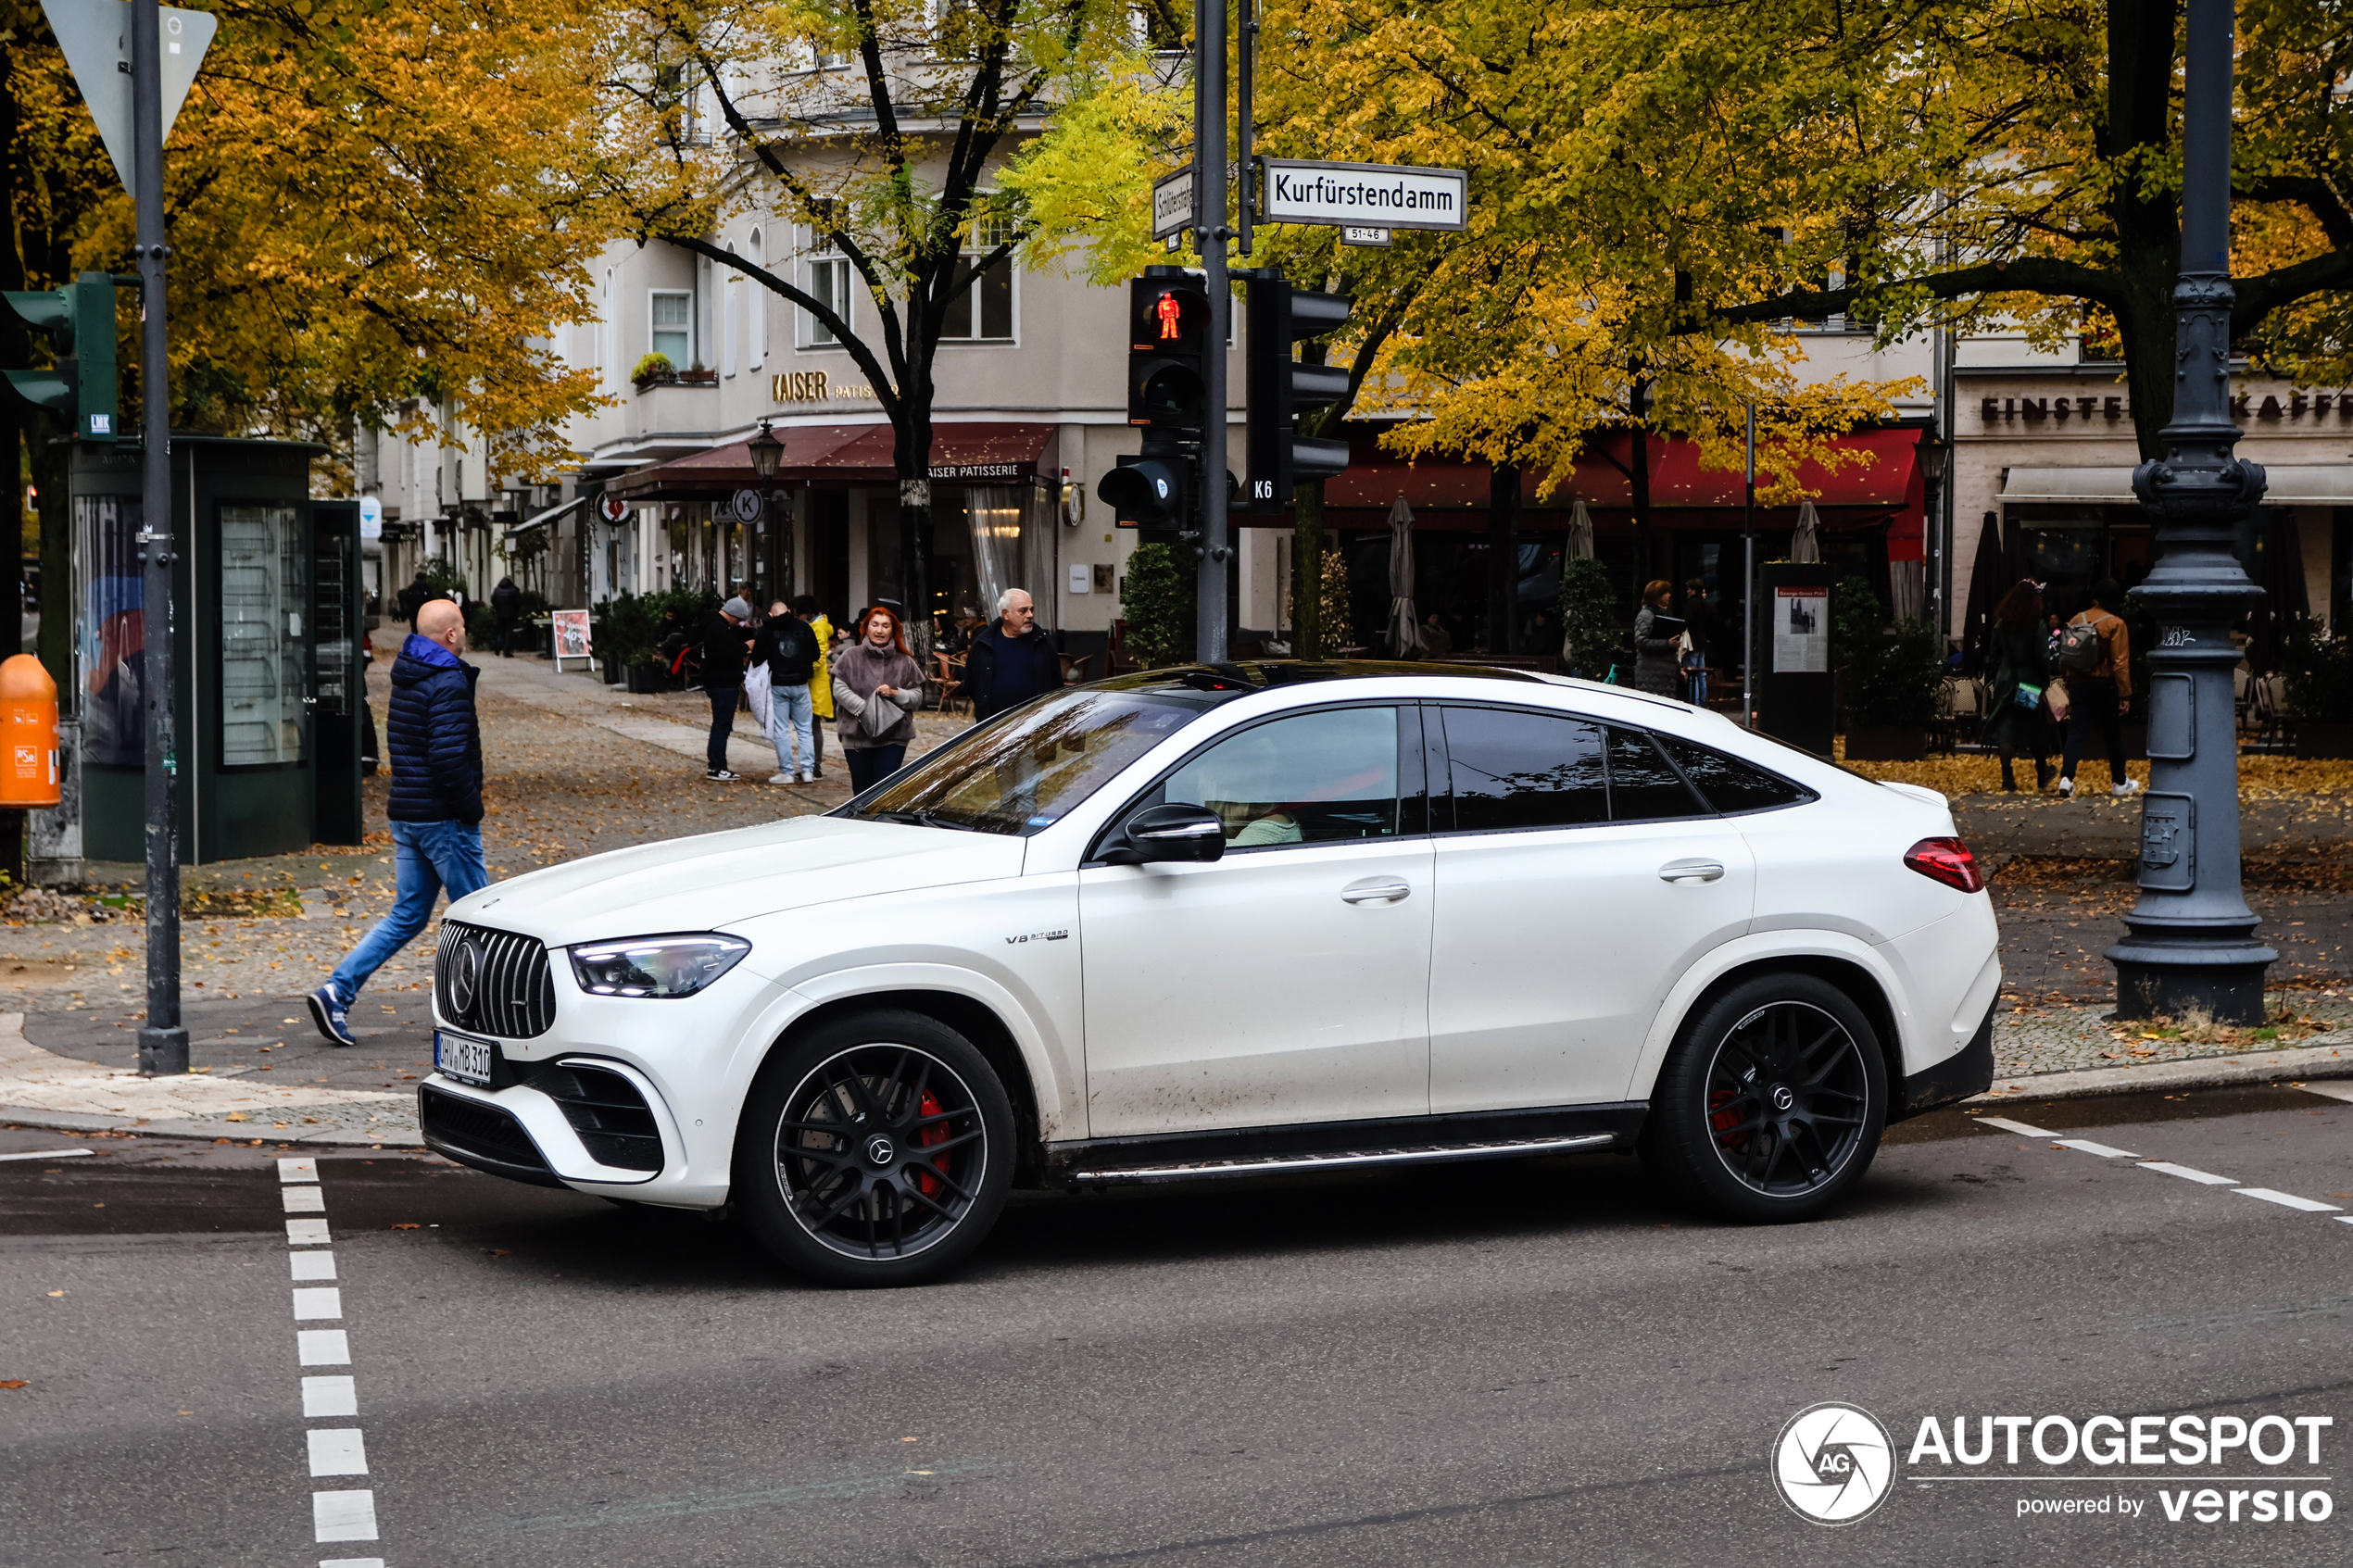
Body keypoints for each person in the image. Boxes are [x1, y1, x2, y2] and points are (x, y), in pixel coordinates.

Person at [306, 599, 486, 1047]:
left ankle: (337, 991)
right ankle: (475, 1016)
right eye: (461, 627)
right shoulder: (446, 680)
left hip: (409, 814)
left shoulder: (409, 672)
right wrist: (471, 807)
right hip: (444, 818)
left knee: (407, 915)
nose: (464, 634)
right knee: (482, 922)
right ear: (449, 634)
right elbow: (447, 758)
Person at [2057, 577, 2137, 799]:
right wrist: (2125, 693)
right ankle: (2120, 781)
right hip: (2105, 686)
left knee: (2076, 732)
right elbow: (2120, 662)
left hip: (2079, 685)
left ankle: (2067, 778)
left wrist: (2069, 681)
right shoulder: (2116, 624)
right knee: (2113, 734)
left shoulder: (2075, 620)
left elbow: (2064, 658)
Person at [832, 604, 925, 791]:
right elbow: (839, 688)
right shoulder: (851, 656)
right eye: (875, 625)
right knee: (862, 793)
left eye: (885, 626)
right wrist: (865, 710)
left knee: (885, 793)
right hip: (856, 735)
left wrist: (895, 693)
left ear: (893, 630)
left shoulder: (904, 661)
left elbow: (917, 695)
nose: (879, 630)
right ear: (866, 627)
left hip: (894, 736)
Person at [1981, 579, 2056, 793]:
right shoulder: (2036, 623)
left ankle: (2007, 777)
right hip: (2029, 680)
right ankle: (2042, 773)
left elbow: (1993, 654)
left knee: (2006, 725)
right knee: (2034, 724)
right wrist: (2044, 679)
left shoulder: (2001, 624)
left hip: (2006, 680)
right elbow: (2042, 655)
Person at [963, 588, 1060, 721]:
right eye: (1023, 610)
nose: (1030, 615)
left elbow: (1056, 684)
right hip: (994, 725)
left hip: (1036, 724)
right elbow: (972, 683)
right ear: (1005, 614)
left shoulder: (1042, 643)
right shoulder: (984, 644)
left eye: (1031, 610)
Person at [754, 597, 821, 784]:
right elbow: (815, 654)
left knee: (781, 730)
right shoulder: (804, 628)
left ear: (770, 614)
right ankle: (808, 771)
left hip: (778, 684)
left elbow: (758, 657)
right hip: (801, 683)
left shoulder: (766, 631)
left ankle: (787, 772)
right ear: (789, 611)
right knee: (805, 729)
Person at [698, 596, 755, 781]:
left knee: (719, 725)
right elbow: (725, 655)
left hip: (716, 681)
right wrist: (744, 647)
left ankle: (716, 764)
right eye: (738, 619)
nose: (738, 623)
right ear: (733, 614)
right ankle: (717, 766)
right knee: (722, 726)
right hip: (723, 683)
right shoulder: (719, 629)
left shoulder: (713, 625)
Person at [796, 594, 834, 779]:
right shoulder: (815, 626)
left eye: (798, 614)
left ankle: (814, 766)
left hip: (814, 685)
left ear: (808, 613)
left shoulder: (817, 629)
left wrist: (800, 670)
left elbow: (818, 658)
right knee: (810, 726)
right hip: (812, 683)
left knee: (812, 726)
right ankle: (811, 765)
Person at [1631, 580, 1680, 697]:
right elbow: (1641, 641)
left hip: (1664, 675)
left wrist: (1678, 668)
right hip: (1651, 675)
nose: (1669, 595)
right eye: (1666, 592)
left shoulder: (1662, 615)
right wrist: (1667, 643)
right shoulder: (1646, 615)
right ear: (1657, 596)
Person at [1680, 578, 1716, 705]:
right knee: (1701, 673)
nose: (1687, 591)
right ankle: (1702, 701)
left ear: (1694, 590)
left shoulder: (1691, 604)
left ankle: (1693, 702)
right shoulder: (1705, 604)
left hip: (1692, 643)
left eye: (1689, 589)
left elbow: (1686, 621)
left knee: (1692, 674)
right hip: (1702, 642)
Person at [490, 576, 522, 658]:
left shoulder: (497, 590)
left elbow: (493, 601)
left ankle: (497, 647)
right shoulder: (514, 590)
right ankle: (506, 650)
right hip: (511, 614)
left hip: (500, 614)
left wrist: (497, 608)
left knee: (501, 631)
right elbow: (518, 602)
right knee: (509, 632)